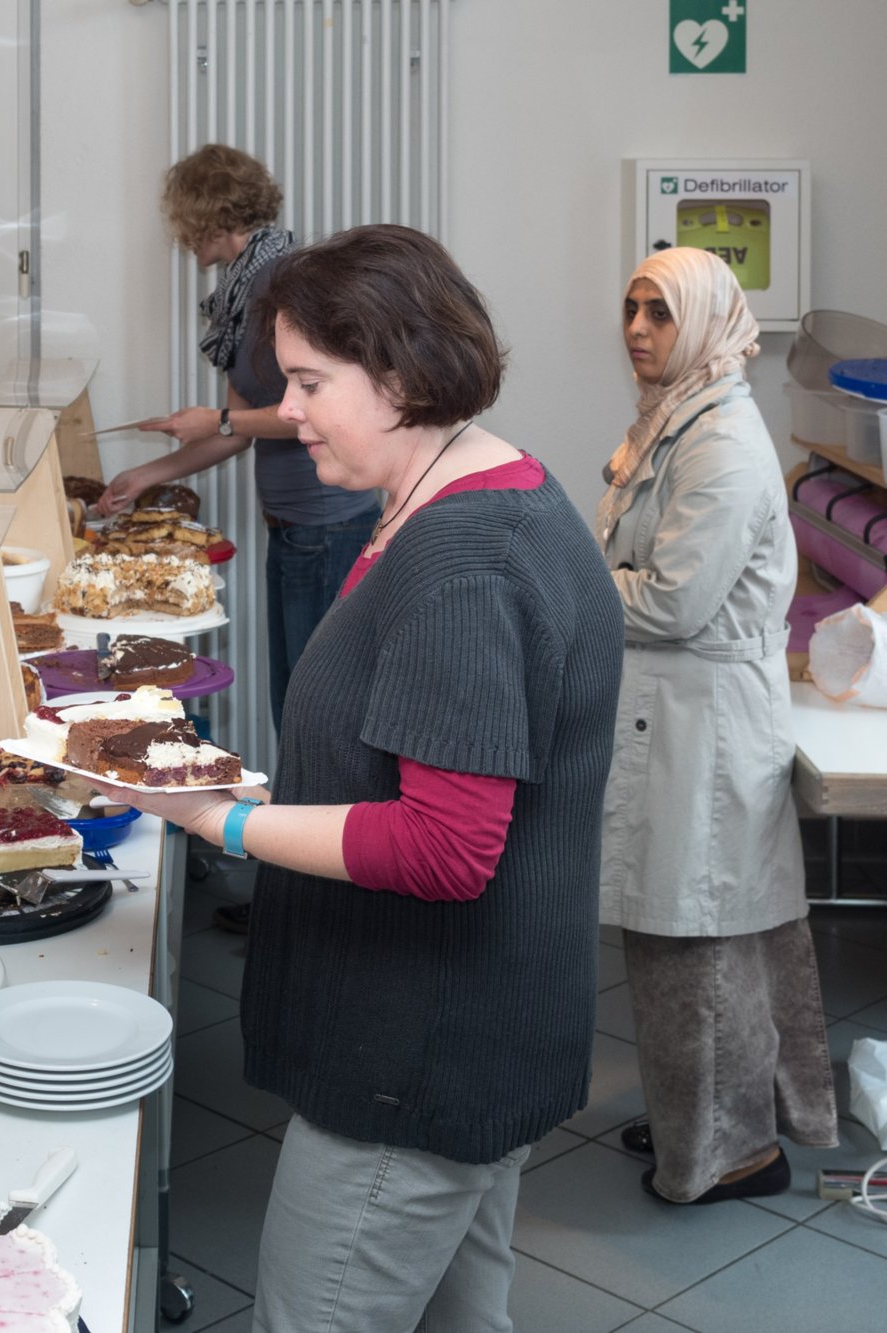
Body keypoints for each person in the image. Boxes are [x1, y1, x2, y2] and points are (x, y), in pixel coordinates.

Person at [92, 226, 622, 1331]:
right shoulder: (475, 488)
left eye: (305, 382)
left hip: (415, 1058)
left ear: (397, 373)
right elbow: (404, 751)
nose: (283, 412)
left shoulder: (459, 561)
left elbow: (442, 846)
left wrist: (215, 817)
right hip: (470, 1036)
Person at [597, 247, 839, 1204]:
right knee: (686, 935)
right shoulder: (674, 420)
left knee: (701, 939)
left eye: (660, 312)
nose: (639, 328)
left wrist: (566, 585)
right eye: (631, 307)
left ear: (702, 322)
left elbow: (671, 602)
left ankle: (735, 1153)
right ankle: (702, 1120)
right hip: (678, 715)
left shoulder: (723, 445)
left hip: (706, 722)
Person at [102, 146, 379, 738]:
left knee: (315, 714)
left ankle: (312, 830)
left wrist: (218, 419)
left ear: (209, 216)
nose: (180, 239)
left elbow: (311, 413)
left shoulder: (283, 283)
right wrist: (147, 475)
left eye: (183, 222)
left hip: (329, 525)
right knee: (293, 706)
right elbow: (239, 424)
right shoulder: (242, 291)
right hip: (292, 524)